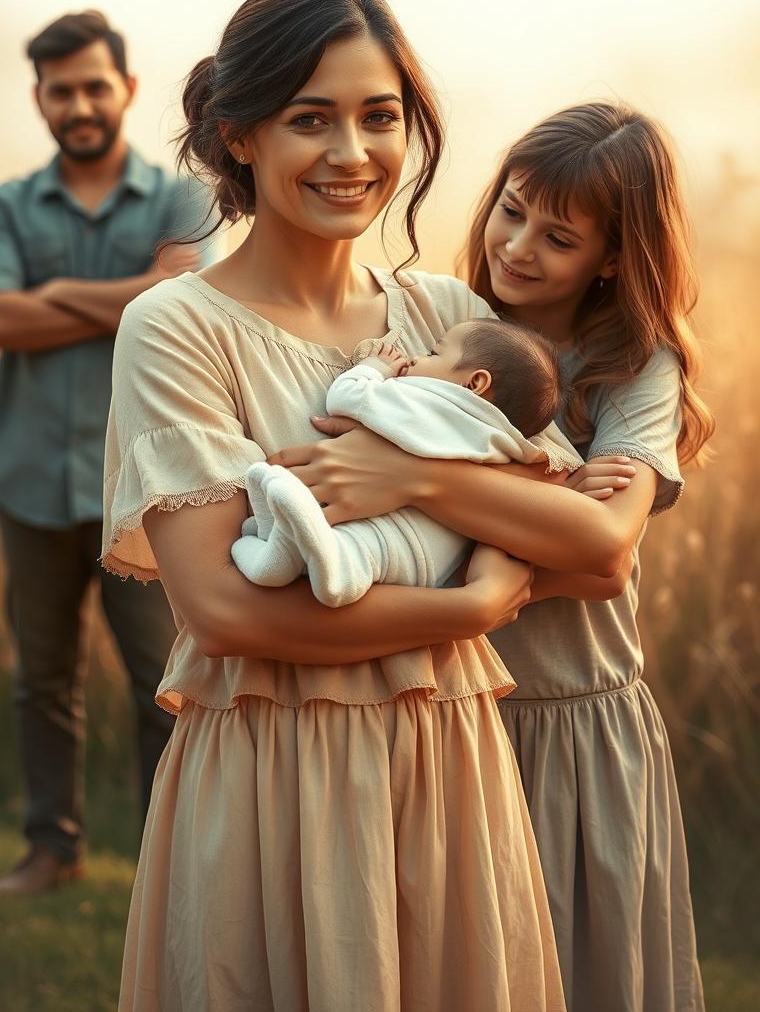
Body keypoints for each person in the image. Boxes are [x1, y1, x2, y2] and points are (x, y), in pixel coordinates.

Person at [98, 0, 624, 1010]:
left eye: (379, 116)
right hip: (268, 771)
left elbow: (596, 547)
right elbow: (225, 605)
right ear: (239, 134)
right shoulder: (174, 328)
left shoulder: (447, 314)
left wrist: (417, 473)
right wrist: (472, 603)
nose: (352, 153)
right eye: (310, 119)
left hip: (447, 758)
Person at [283, 101, 713, 1011]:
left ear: (613, 257)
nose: (518, 245)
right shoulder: (454, 330)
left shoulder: (635, 366)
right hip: (442, 709)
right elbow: (563, 539)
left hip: (568, 720)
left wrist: (416, 480)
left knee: (565, 961)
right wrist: (539, 509)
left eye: (558, 237)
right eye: (510, 210)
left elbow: (601, 551)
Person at [0, 10, 220, 898]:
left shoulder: (182, 198)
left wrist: (61, 296)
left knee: (162, 682)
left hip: (140, 493)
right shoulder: (5, 205)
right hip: (29, 482)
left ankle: (171, 865)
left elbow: (186, 296)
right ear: (40, 98)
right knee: (42, 681)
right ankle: (52, 848)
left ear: (127, 90)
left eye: (93, 85)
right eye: (60, 89)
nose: (78, 103)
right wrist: (126, 294)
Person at [232, 320, 581, 607]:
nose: (415, 359)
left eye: (433, 352)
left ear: (474, 383)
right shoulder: (505, 442)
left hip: (373, 533)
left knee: (348, 548)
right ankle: (281, 553)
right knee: (356, 550)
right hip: (429, 564)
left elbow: (345, 397)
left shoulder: (424, 398)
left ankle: (307, 557)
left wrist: (374, 368)